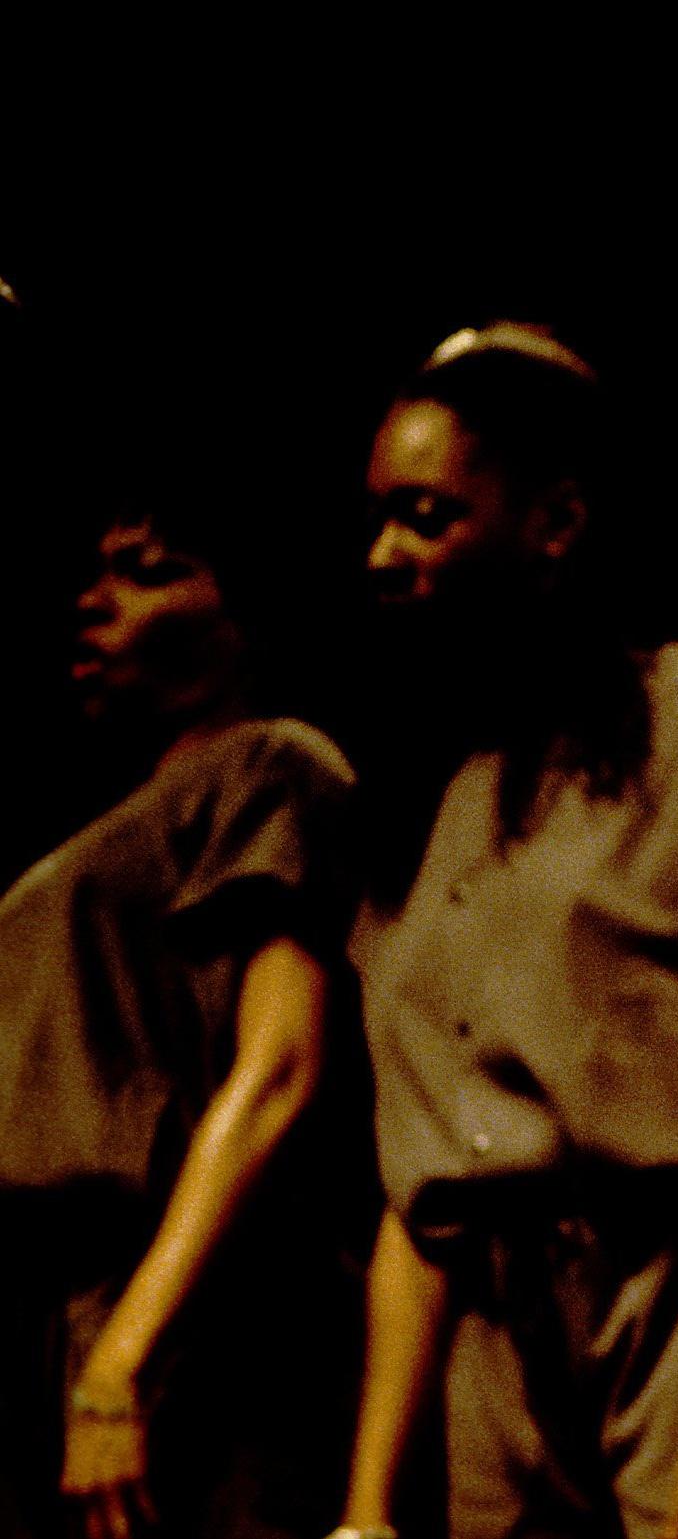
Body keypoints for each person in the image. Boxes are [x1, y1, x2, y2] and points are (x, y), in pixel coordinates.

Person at [334, 325, 678, 1539]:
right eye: (377, 517)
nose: (384, 553)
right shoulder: (430, 804)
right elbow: (421, 1205)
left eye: (427, 515)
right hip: (500, 1359)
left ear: (554, 523)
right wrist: (367, 1510)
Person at [2, 485, 366, 1539]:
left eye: (146, 572)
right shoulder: (114, 824)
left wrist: (122, 1360)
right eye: (96, 571)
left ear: (246, 617)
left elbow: (282, 1069)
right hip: (55, 1317)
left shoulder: (271, 763)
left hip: (193, 1324)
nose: (93, 602)